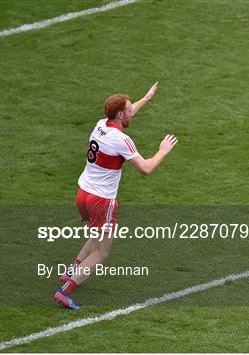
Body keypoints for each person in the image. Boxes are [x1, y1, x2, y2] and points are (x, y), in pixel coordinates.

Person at [54, 82, 179, 310]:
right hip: (102, 201)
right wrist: (163, 150)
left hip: (83, 194)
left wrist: (146, 99)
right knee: (102, 252)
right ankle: (66, 290)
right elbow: (146, 169)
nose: (132, 112)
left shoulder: (101, 125)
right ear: (121, 114)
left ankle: (71, 272)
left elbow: (126, 115)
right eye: (129, 109)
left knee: (95, 236)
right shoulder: (122, 141)